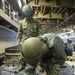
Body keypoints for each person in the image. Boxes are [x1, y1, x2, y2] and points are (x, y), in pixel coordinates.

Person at [17, 4, 42, 71]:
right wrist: (19, 40)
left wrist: (40, 39)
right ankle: (21, 64)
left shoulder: (36, 21)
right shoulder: (22, 22)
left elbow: (40, 30)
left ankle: (38, 64)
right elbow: (20, 32)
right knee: (23, 52)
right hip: (25, 40)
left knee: (37, 52)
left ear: (31, 13)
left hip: (34, 40)